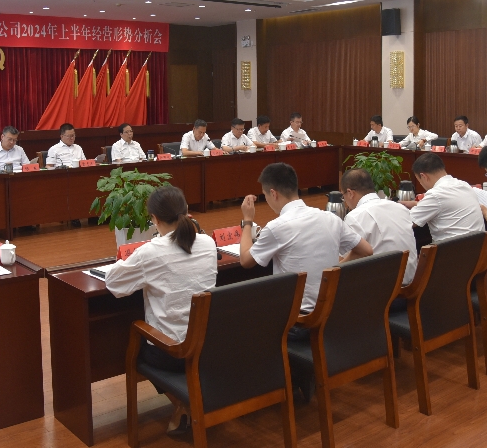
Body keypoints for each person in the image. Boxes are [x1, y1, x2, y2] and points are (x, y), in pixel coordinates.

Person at [105, 185, 217, 435]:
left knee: (138, 342)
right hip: (206, 346)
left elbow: (114, 283)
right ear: (187, 211)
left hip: (171, 354)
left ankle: (184, 404)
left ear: (154, 219)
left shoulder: (152, 251)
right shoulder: (208, 243)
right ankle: (186, 404)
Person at [239, 163, 371, 312]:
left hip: (298, 316)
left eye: (265, 195)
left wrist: (247, 220)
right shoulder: (330, 218)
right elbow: (366, 250)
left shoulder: (276, 227)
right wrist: (333, 270)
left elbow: (245, 260)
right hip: (332, 311)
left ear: (273, 194)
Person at [340, 168, 417, 284]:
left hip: (381, 290)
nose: (345, 201)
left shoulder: (355, 217)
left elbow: (344, 261)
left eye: (343, 196)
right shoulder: (400, 208)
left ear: (350, 193)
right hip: (411, 283)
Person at [399, 153, 485, 243]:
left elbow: (406, 222)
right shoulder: (464, 185)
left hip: (452, 250)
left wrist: (394, 208)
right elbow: (447, 205)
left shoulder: (435, 194)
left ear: (424, 176)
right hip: (478, 247)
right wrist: (417, 204)